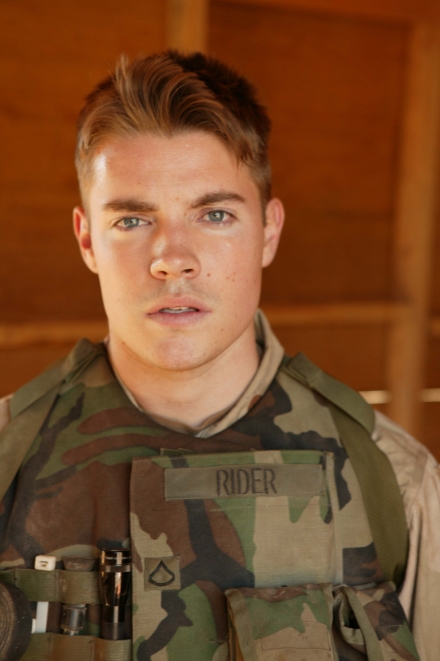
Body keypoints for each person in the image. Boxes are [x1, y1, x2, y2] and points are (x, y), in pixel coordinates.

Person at [0, 50, 438, 661]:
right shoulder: (8, 461)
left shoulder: (395, 482)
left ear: (268, 232)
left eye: (214, 214)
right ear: (87, 240)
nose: (172, 259)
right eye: (132, 220)